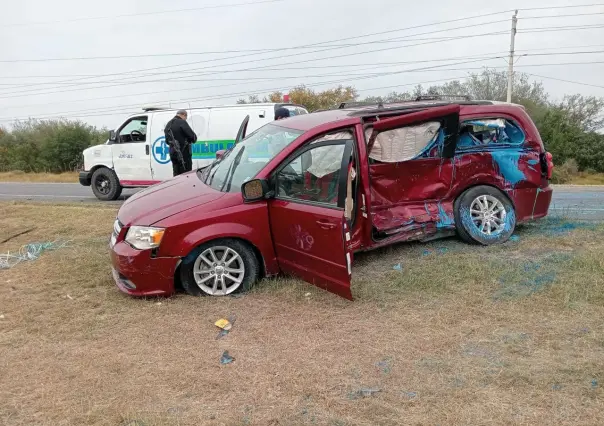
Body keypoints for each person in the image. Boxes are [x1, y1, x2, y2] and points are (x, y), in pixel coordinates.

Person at [164, 109, 197, 176]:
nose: (185, 119)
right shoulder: (182, 122)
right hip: (184, 155)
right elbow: (193, 137)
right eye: (186, 117)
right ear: (184, 115)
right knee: (186, 175)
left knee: (176, 174)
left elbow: (167, 141)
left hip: (173, 154)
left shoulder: (168, 124)